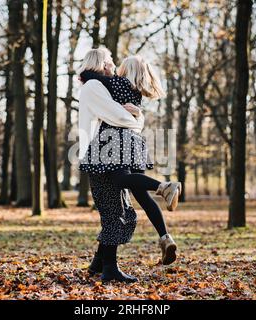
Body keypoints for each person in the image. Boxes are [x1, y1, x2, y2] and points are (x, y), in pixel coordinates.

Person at [78, 48, 181, 283]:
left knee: (117, 199)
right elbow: (122, 114)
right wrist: (139, 116)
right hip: (123, 142)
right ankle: (162, 235)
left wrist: (87, 74)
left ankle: (164, 188)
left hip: (111, 142)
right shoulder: (115, 88)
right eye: (110, 61)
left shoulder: (113, 84)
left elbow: (118, 112)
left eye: (117, 63)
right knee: (125, 199)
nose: (114, 65)